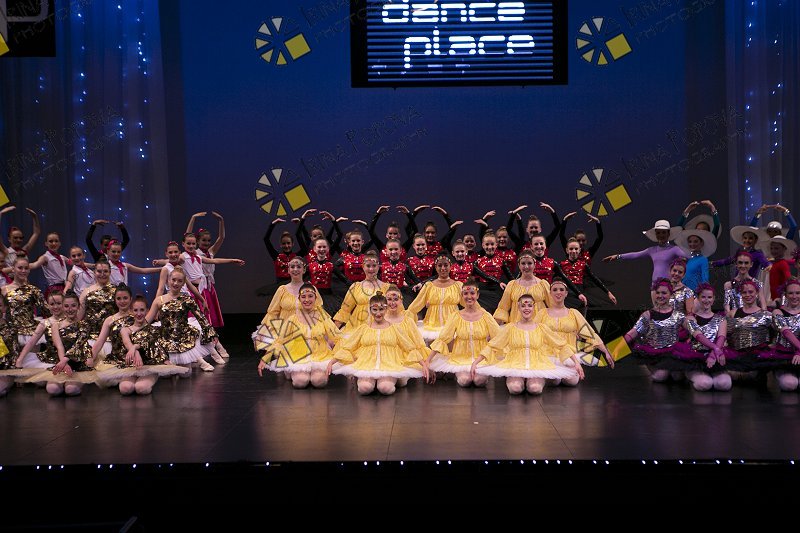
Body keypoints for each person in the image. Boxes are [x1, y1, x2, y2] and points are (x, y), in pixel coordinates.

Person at [473, 294, 582, 395]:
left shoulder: (541, 328)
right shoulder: (510, 328)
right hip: (515, 365)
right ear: (519, 308)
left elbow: (561, 344)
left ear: (534, 308)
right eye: (523, 306)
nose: (526, 308)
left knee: (535, 389)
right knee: (515, 388)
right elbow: (493, 345)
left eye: (529, 305)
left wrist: (576, 362)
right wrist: (476, 362)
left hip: (537, 365)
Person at [328, 291, 425, 395]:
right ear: (370, 310)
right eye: (375, 309)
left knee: (385, 388)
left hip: (388, 365)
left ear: (386, 309)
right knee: (365, 388)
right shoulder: (364, 328)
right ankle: (367, 381)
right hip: (367, 364)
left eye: (381, 309)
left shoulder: (395, 328)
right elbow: (349, 346)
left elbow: (409, 346)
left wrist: (423, 364)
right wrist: (332, 362)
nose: (378, 313)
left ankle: (393, 380)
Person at [257, 283, 341, 388]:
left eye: (310, 296)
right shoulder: (293, 319)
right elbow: (280, 340)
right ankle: (292, 372)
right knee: (300, 382)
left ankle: (312, 374)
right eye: (303, 297)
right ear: (299, 299)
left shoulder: (322, 317)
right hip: (299, 357)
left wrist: (343, 356)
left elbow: (337, 337)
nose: (307, 300)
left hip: (319, 356)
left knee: (319, 382)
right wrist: (265, 358)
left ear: (315, 298)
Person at [428, 278, 500, 387]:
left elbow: (498, 338)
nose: (469, 296)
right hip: (460, 359)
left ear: (478, 295)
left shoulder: (486, 316)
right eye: (465, 293)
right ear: (462, 296)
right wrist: (428, 360)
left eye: (472, 293)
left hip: (481, 359)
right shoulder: (456, 316)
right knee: (465, 381)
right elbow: (443, 338)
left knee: (479, 380)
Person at [534, 279, 614, 375]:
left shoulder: (574, 313)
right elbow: (531, 333)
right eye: (555, 290)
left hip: (569, 356)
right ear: (550, 293)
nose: (558, 292)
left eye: (561, 290)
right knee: (555, 380)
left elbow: (589, 334)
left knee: (571, 380)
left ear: (566, 293)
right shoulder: (542, 313)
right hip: (547, 355)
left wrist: (605, 351)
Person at [622, 278, 685, 384]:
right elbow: (633, 332)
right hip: (654, 353)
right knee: (661, 376)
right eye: (658, 293)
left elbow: (694, 331)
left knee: (677, 376)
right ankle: (655, 368)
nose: (660, 295)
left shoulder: (678, 315)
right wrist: (613, 350)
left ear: (670, 295)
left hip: (672, 352)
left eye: (664, 293)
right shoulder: (648, 315)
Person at [603, 219, 688, 281]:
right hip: (655, 286)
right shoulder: (652, 250)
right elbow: (635, 255)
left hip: (668, 286)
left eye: (663, 232)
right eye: (658, 233)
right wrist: (618, 256)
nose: (661, 235)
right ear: (656, 235)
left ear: (668, 234)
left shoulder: (674, 249)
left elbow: (690, 256)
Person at [408, 253, 463, 343]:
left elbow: (469, 304)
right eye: (439, 265)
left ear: (451, 266)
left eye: (446, 265)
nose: (443, 268)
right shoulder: (429, 286)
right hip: (431, 326)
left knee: (451, 351)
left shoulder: (458, 286)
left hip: (452, 325)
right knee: (433, 351)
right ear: (435, 267)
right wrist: (406, 317)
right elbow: (416, 305)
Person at [673, 227, 717, 291]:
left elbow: (705, 279)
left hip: (695, 293)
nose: (692, 244)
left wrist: (703, 292)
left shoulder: (703, 259)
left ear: (701, 243)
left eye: (695, 241)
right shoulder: (686, 259)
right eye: (690, 242)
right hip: (683, 292)